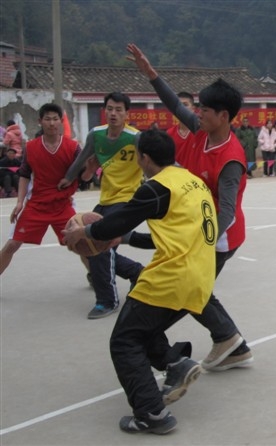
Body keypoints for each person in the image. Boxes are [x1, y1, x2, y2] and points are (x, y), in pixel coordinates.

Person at [63, 129, 216, 434]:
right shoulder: (192, 182)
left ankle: (151, 413)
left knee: (124, 340)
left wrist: (86, 233)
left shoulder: (157, 187)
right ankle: (175, 364)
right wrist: (126, 237)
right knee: (143, 325)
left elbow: (120, 219)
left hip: (171, 279)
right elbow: (171, 234)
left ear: (144, 158)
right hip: (200, 277)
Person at [127, 43, 252, 371]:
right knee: (194, 287)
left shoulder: (231, 159)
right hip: (197, 230)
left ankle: (227, 340)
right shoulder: (201, 131)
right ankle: (231, 342)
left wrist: (201, 239)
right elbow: (172, 104)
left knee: (190, 288)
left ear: (223, 116)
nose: (197, 114)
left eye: (205, 111)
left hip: (218, 238)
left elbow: (226, 211)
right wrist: (151, 74)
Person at [59, 92, 144, 319]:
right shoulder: (96, 135)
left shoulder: (136, 138)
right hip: (106, 199)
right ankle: (137, 272)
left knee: (99, 243)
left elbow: (155, 163)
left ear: (127, 113)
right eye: (109, 109)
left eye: (118, 109)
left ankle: (106, 300)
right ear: (104, 111)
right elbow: (82, 159)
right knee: (83, 243)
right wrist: (68, 178)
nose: (113, 113)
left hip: (128, 201)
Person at [0, 104, 94, 275]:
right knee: (12, 244)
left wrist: (91, 167)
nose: (51, 123)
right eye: (47, 119)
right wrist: (20, 202)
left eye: (55, 119)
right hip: (36, 204)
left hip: (63, 205)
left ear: (60, 121)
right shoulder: (31, 147)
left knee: (82, 245)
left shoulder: (73, 147)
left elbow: (84, 177)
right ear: (40, 122)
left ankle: (97, 281)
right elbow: (24, 175)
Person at [166, 91, 196, 166]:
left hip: (195, 177)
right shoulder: (169, 134)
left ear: (193, 108)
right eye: (179, 105)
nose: (182, 108)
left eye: (185, 105)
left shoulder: (201, 132)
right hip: (176, 176)